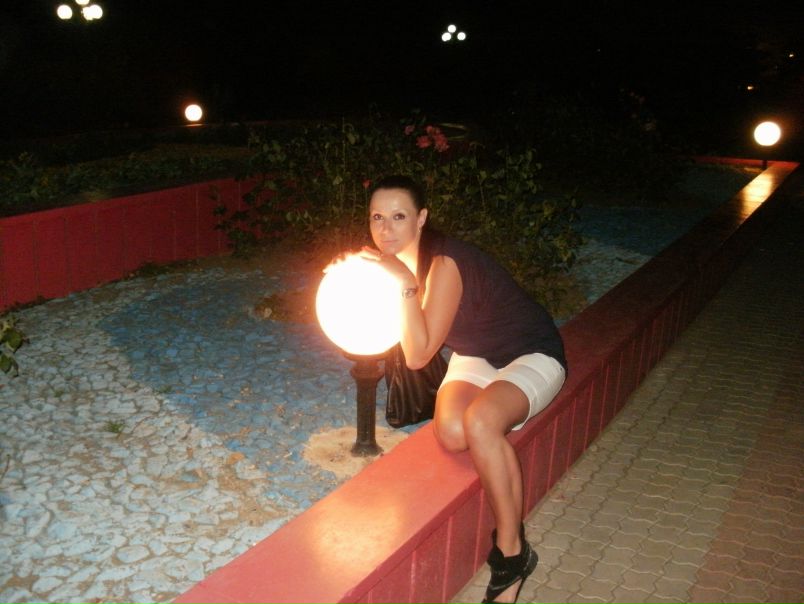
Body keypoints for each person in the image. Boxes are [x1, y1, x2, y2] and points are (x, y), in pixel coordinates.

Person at [360, 175, 567, 604]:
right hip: (476, 354)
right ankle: (511, 541)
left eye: (398, 217)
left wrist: (404, 282)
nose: (386, 229)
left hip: (531, 352)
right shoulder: (398, 265)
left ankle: (511, 553)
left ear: (421, 218)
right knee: (453, 433)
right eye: (377, 217)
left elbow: (418, 355)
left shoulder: (444, 263)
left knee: (481, 422)